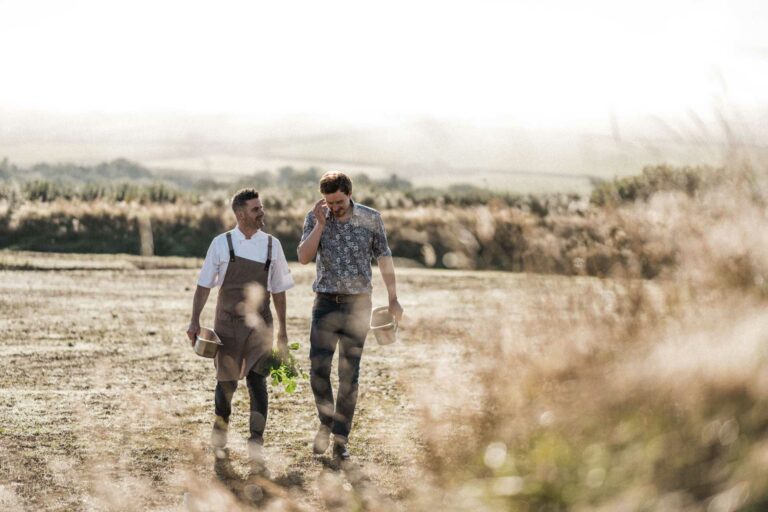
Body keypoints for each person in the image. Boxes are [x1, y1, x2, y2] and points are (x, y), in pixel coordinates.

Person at [297, 171, 404, 462]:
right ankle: (325, 422)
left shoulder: (371, 218)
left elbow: (384, 257)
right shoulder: (316, 217)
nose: (334, 207)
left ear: (349, 193)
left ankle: (341, 439)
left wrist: (393, 298)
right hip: (325, 303)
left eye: (339, 201)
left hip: (359, 305)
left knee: (349, 375)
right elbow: (304, 257)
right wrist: (320, 224)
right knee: (318, 369)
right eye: (329, 202)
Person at [186, 188, 294, 476]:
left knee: (258, 381)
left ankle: (256, 442)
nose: (262, 213)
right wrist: (194, 320)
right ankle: (220, 432)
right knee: (226, 383)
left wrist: (282, 330)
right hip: (227, 325)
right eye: (256, 209)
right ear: (240, 213)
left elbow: (280, 291)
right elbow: (204, 284)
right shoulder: (221, 244)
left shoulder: (273, 246)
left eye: (262, 208)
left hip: (260, 325)